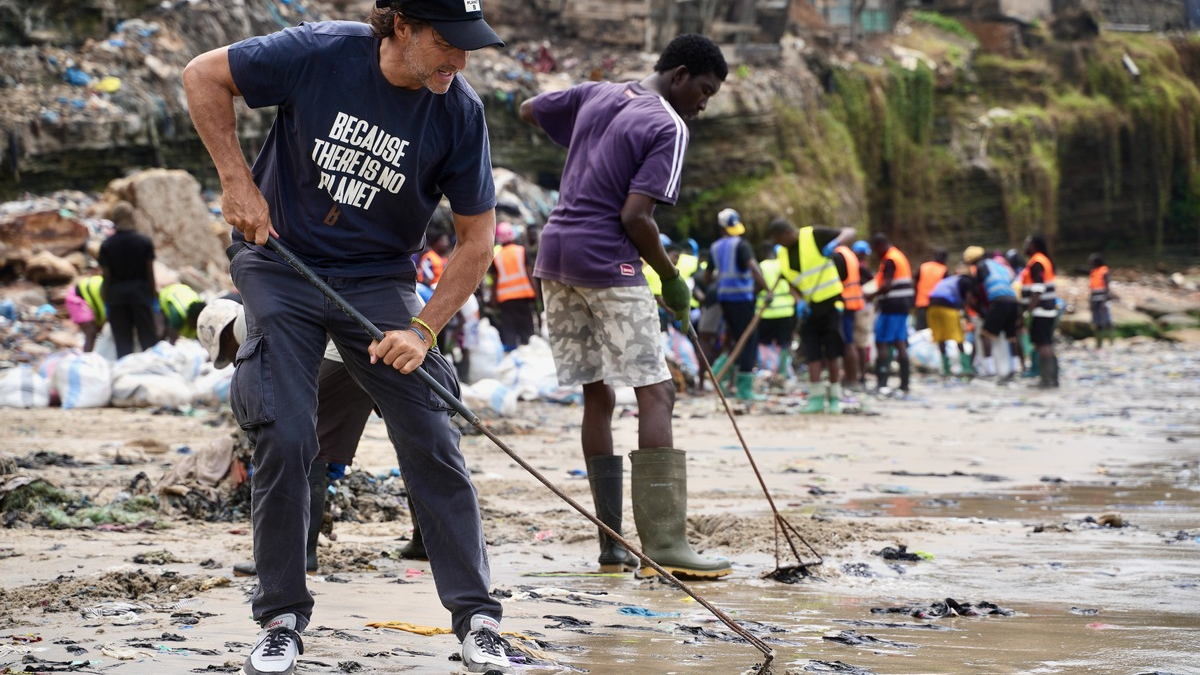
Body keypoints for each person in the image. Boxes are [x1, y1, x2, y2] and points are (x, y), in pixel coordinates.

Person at [182, 0, 511, 672]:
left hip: (379, 281)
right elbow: (202, 75)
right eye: (447, 42)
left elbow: (477, 241)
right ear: (402, 25)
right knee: (286, 433)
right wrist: (237, 181)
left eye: (469, 47)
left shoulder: (460, 111)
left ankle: (478, 619)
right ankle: (280, 618)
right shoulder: (320, 52)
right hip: (279, 262)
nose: (460, 61)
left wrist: (422, 330)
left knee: (431, 431)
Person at [518, 33, 732, 579]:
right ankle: (664, 545)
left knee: (598, 394)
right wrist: (671, 277)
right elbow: (636, 217)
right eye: (704, 90)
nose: (703, 105)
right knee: (656, 391)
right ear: (680, 75)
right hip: (607, 261)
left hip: (554, 255)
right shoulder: (668, 125)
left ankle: (612, 545)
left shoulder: (598, 94)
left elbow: (529, 109)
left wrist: (588, 145)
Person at [196, 300, 429, 580]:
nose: (235, 360)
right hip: (405, 331)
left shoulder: (247, 324)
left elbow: (288, 385)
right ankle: (426, 541)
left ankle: (297, 556)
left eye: (227, 353)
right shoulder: (257, 307)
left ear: (224, 334)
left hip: (355, 344)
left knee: (308, 438)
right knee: (414, 440)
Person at [766, 219, 856, 414]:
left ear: (786, 233)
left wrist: (836, 243)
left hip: (831, 304)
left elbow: (849, 231)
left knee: (832, 353)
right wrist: (798, 300)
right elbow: (790, 282)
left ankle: (834, 397)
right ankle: (816, 398)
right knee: (812, 353)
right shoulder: (782, 254)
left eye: (778, 239)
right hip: (809, 308)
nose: (778, 244)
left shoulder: (813, 235)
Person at [704, 207, 769, 402]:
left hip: (725, 299)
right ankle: (744, 389)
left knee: (735, 340)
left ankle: (718, 374)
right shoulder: (741, 245)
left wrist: (722, 278)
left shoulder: (715, 248)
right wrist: (765, 289)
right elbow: (754, 268)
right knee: (748, 342)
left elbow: (707, 278)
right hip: (742, 300)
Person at [98, 201, 158, 359]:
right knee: (148, 342)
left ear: (114, 219)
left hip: (117, 298)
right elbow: (150, 272)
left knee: (123, 344)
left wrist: (106, 299)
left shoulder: (107, 245)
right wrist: (153, 296)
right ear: (132, 217)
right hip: (140, 295)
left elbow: (106, 276)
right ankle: (152, 368)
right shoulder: (144, 241)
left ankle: (125, 371)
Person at [963, 246, 1021, 381]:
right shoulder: (999, 265)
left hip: (998, 300)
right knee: (1011, 335)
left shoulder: (981, 266)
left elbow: (977, 289)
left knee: (985, 335)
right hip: (1013, 299)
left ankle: (990, 370)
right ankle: (1014, 368)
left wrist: (982, 310)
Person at [866, 233, 914, 395]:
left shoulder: (890, 259)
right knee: (900, 342)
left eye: (875, 249)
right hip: (903, 305)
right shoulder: (899, 256)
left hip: (892, 305)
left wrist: (871, 295)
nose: (875, 253)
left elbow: (886, 285)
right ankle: (905, 384)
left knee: (882, 342)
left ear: (880, 246)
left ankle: (882, 382)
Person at [489, 221, 538, 351]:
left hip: (505, 298)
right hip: (523, 295)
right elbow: (529, 274)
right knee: (527, 329)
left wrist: (493, 300)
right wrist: (536, 294)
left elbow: (495, 281)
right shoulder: (521, 251)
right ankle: (529, 351)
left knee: (510, 329)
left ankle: (513, 352)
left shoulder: (496, 256)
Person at [1022, 234, 1059, 388]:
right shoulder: (1043, 260)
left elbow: (1038, 289)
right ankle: (1052, 378)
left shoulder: (1037, 262)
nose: (1025, 246)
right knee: (1045, 344)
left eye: (1027, 243)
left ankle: (1047, 379)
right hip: (1047, 310)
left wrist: (1029, 311)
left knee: (1043, 344)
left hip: (1041, 310)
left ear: (1034, 245)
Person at [755, 241, 797, 378]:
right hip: (786, 312)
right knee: (784, 344)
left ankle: (768, 370)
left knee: (764, 343)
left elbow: (757, 287)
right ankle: (783, 373)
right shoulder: (783, 265)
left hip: (766, 313)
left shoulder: (761, 267)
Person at [925, 273, 974, 376]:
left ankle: (946, 369)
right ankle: (966, 368)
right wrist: (967, 313)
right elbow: (968, 297)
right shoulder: (965, 281)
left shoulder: (948, 280)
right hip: (948, 307)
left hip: (932, 307)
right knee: (958, 336)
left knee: (940, 337)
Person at [831, 239, 864, 391]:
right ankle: (850, 378)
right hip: (852, 302)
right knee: (848, 342)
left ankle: (852, 380)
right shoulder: (848, 253)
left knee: (847, 342)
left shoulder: (839, 255)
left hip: (844, 303)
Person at [851, 240, 875, 390]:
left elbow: (873, 286)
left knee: (858, 343)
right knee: (859, 343)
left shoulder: (858, 268)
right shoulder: (860, 267)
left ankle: (860, 375)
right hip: (859, 307)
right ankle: (859, 375)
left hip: (859, 308)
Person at [66, 275, 106, 352]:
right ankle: (87, 356)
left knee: (99, 331)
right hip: (77, 299)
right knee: (91, 332)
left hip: (91, 297)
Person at [913, 248, 947, 331]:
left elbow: (915, 282)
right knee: (936, 331)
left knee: (921, 331)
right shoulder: (944, 270)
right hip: (937, 305)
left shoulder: (923, 267)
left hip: (921, 303)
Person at [1088, 253, 1114, 350]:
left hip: (1103, 298)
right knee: (1097, 321)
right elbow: (1092, 287)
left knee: (1107, 320)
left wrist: (1106, 298)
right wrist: (1090, 301)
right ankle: (1099, 344)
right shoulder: (1093, 272)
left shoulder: (1104, 270)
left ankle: (1111, 342)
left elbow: (1107, 285)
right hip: (1094, 299)